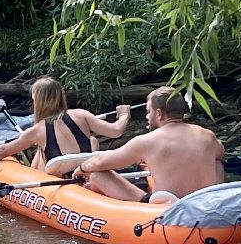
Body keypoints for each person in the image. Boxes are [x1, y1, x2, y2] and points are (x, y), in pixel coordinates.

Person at [72, 86, 225, 205]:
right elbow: (220, 153)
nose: (146, 117)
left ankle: (142, 204)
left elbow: (102, 162)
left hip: (167, 207)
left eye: (148, 112)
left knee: (98, 174)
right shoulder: (207, 136)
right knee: (216, 163)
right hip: (205, 203)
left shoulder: (147, 141)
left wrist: (83, 168)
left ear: (159, 114)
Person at [0, 76, 130, 175]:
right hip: (82, 173)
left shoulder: (37, 130)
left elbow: (4, 150)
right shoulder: (81, 114)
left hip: (57, 178)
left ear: (38, 100)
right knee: (91, 140)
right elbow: (116, 131)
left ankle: (31, 176)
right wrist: (124, 115)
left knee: (41, 150)